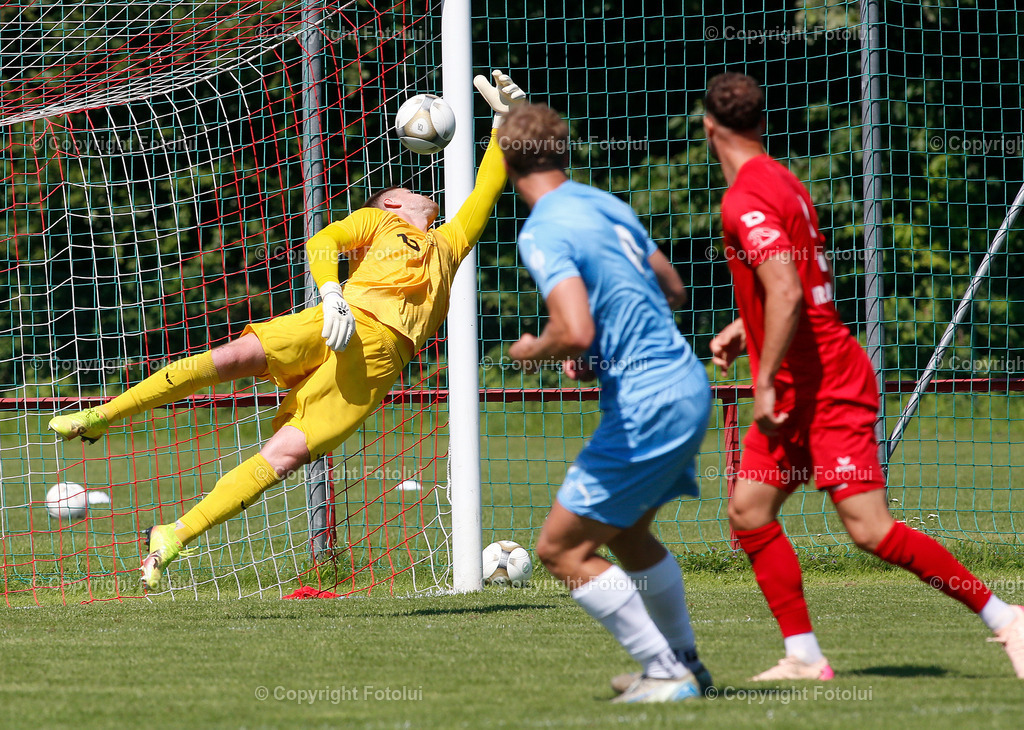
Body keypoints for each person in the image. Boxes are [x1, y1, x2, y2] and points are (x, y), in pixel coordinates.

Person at [48, 70, 526, 591]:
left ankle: (175, 534)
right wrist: (332, 295)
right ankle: (103, 414)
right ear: (391, 205)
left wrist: (506, 120)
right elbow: (323, 241)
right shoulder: (381, 223)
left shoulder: (448, 244)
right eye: (407, 190)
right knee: (230, 359)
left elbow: (485, 190)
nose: (418, 190)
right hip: (335, 319)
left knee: (283, 456)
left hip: (377, 365)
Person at [703, 71, 1024, 680]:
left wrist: (763, 378)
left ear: (709, 128)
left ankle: (1006, 617)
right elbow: (803, 284)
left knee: (871, 531)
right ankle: (804, 656)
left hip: (825, 386)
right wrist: (746, 328)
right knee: (749, 512)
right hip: (800, 383)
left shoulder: (743, 199)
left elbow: (788, 290)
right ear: (763, 125)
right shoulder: (782, 180)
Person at [502, 103, 713, 704]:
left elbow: (573, 330)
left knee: (561, 549)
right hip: (684, 381)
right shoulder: (605, 203)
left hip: (647, 396)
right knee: (627, 533)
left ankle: (665, 672)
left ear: (509, 161)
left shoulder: (541, 228)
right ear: (563, 153)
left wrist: (532, 350)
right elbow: (670, 286)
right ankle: (686, 665)